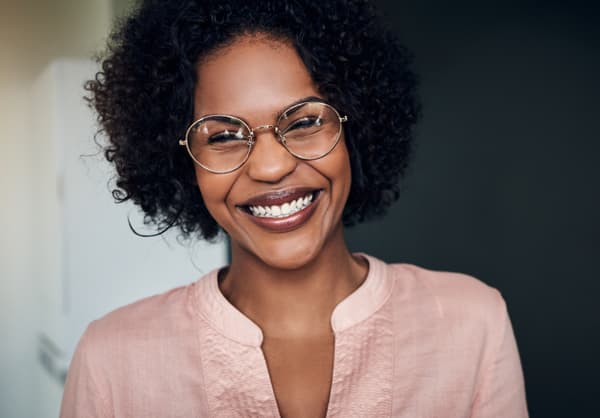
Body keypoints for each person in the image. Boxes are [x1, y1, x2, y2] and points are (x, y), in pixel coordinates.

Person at [60, 0, 528, 417]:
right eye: (222, 135)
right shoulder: (112, 360)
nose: (270, 166)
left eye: (304, 121)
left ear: (355, 129)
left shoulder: (471, 324)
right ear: (182, 160)